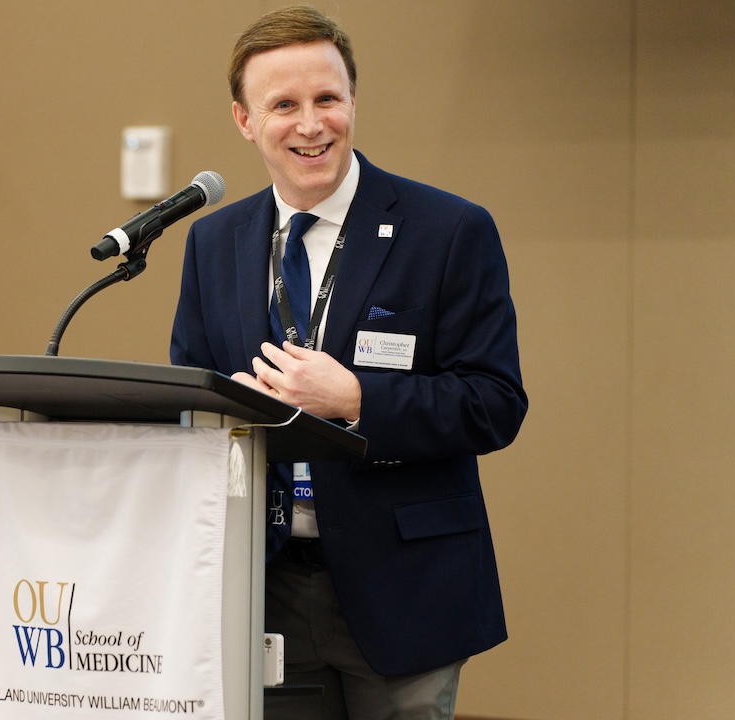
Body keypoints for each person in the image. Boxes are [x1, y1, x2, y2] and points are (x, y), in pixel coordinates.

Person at [169, 6, 527, 719]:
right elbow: (190, 398)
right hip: (262, 584)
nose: (311, 125)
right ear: (244, 120)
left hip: (404, 587)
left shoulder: (448, 231)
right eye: (285, 105)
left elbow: (494, 402)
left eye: (328, 99)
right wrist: (225, 411)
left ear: (353, 101)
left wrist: (357, 398)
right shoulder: (214, 243)